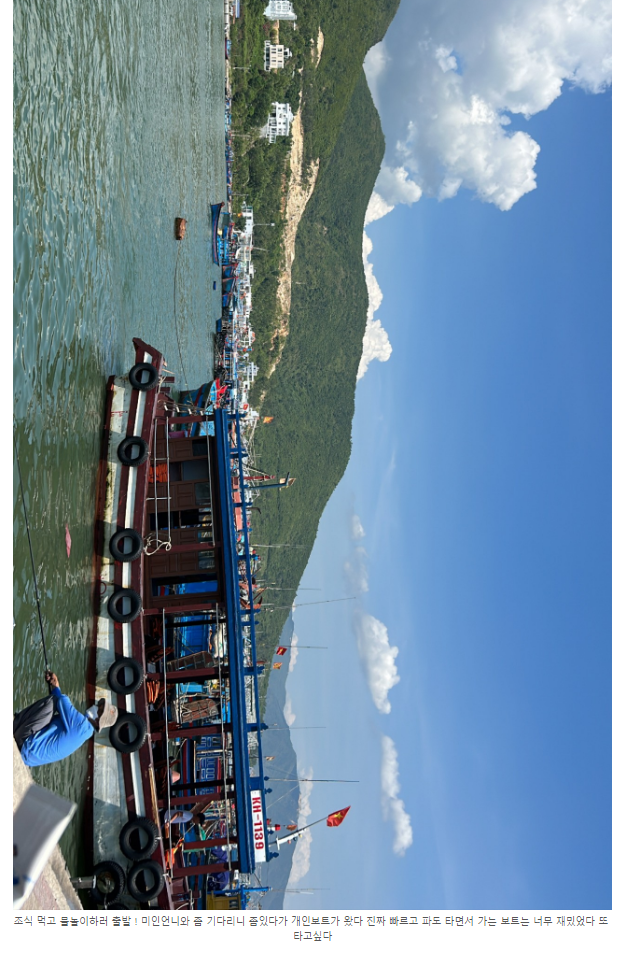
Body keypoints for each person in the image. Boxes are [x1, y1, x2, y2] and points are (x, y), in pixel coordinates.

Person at [13, 671, 118, 768]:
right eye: (99, 705)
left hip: (25, 744)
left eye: (99, 710)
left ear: (98, 722)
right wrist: (55, 686)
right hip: (27, 758)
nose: (96, 706)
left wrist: (56, 686)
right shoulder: (86, 733)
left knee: (53, 701)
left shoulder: (81, 724)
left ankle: (16, 723)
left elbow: (60, 701)